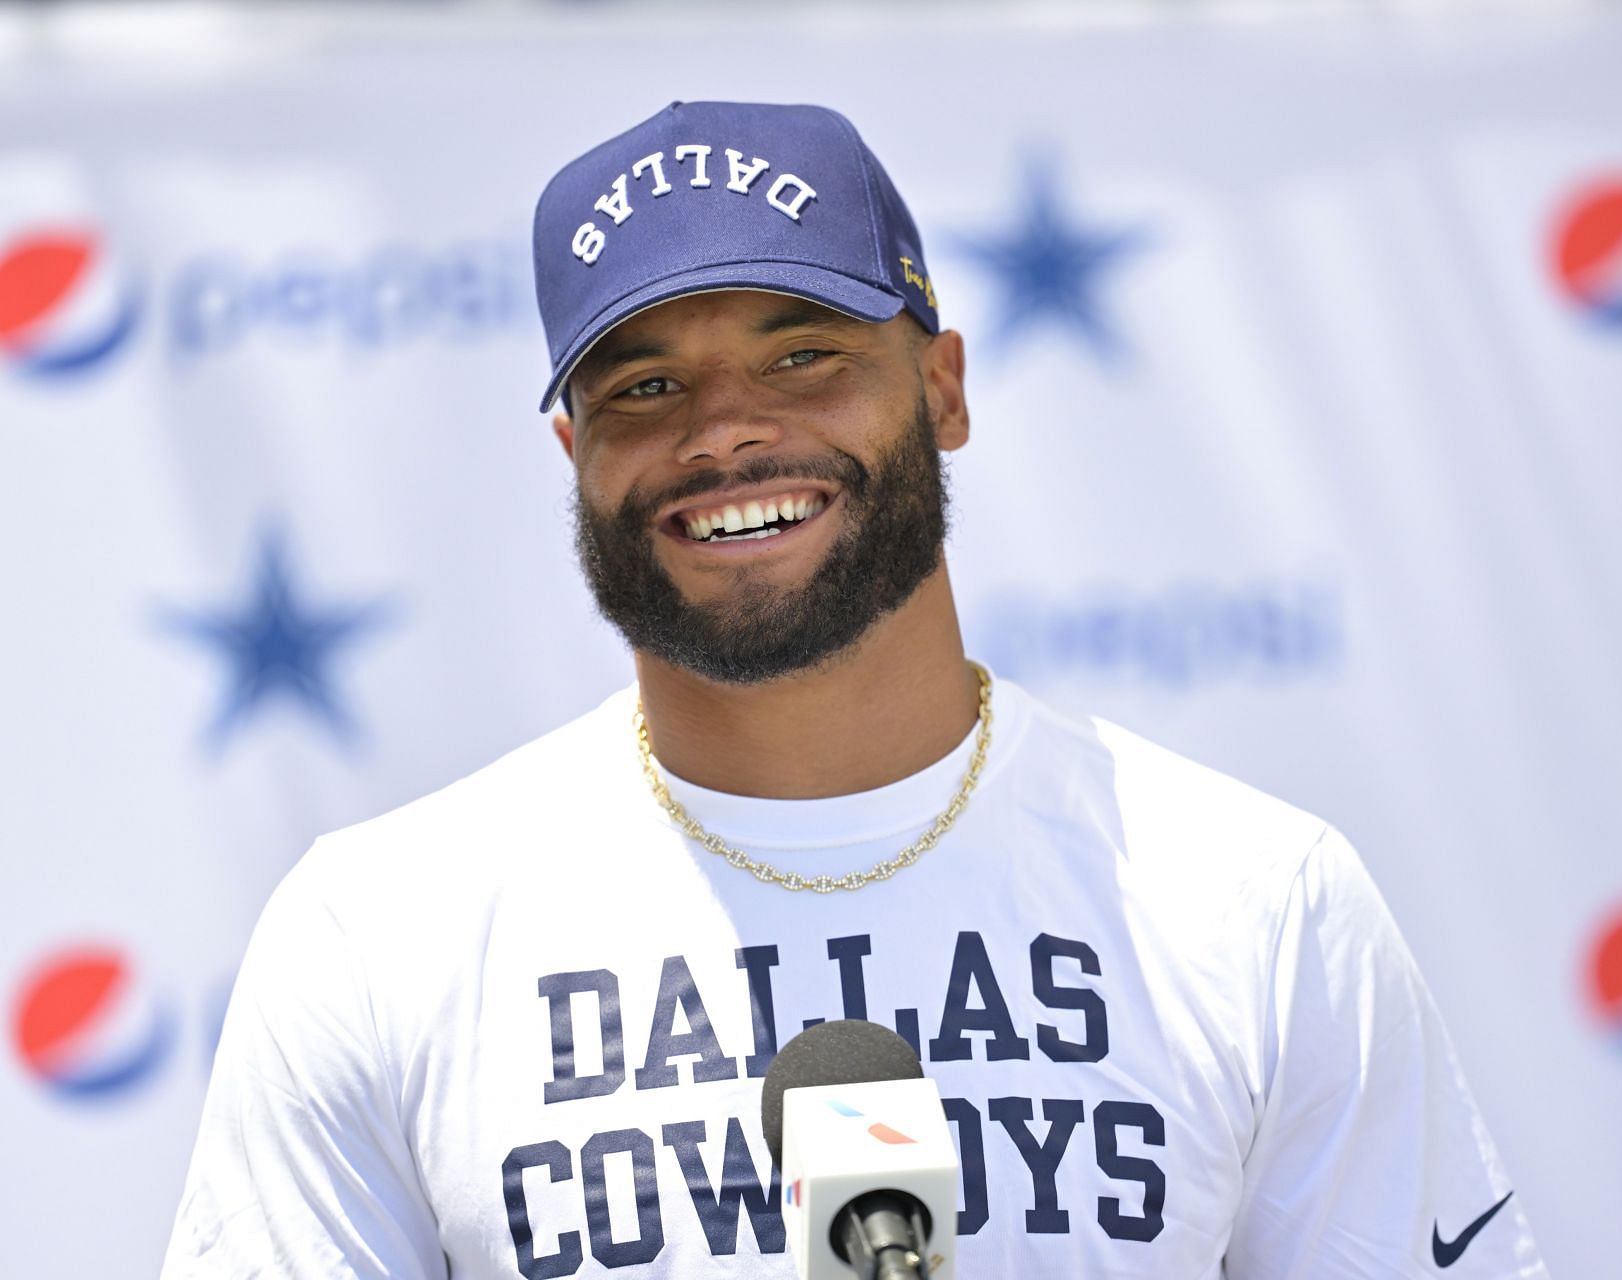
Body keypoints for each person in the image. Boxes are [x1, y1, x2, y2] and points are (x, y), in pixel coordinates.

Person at [162, 100, 1549, 1279]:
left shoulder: (1251, 896)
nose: (728, 430)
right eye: (645, 384)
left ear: (941, 386)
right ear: (572, 448)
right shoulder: (378, 934)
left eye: (803, 355)